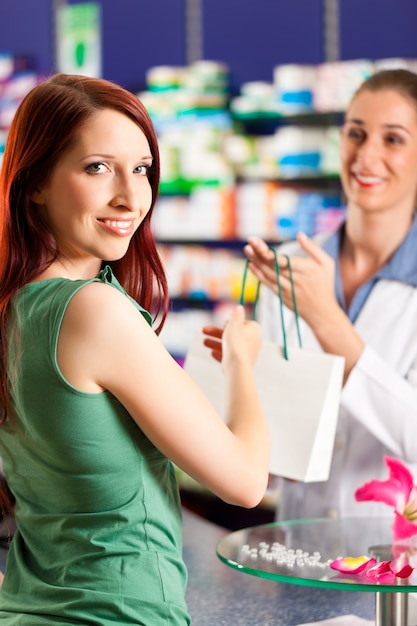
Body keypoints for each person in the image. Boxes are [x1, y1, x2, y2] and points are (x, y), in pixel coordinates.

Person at [0, 73, 270, 625]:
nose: (130, 196)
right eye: (97, 167)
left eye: (141, 169)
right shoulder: (93, 312)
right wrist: (243, 363)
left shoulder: (13, 307)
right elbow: (244, 482)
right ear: (35, 182)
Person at [244, 68, 417, 522]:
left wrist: (328, 322)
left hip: (394, 568)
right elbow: (269, 436)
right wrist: (236, 375)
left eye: (393, 139)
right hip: (299, 548)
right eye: (356, 134)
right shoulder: (286, 266)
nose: (366, 155)